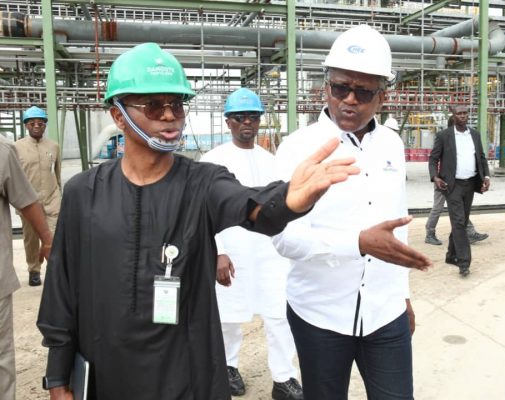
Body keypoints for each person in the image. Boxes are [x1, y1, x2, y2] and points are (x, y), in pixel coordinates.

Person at [36, 42, 359, 400]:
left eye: (176, 104)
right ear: (118, 116)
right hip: (107, 374)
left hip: (183, 376)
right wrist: (57, 375)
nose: (169, 115)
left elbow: (250, 207)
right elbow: (62, 287)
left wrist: (288, 202)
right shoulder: (85, 192)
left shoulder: (203, 182)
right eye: (153, 105)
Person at [273, 25, 432, 400]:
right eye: (340, 87)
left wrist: (402, 295)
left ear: (381, 96)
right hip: (320, 315)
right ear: (325, 86)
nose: (349, 100)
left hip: (384, 311)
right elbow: (283, 238)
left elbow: (398, 226)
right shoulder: (298, 149)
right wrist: (358, 244)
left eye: (363, 92)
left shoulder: (392, 144)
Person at [200, 88, 302, 400]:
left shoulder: (273, 161)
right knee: (228, 317)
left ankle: (284, 379)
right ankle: (228, 367)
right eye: (240, 117)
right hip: (231, 252)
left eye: (253, 117)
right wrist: (218, 251)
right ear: (228, 121)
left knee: (279, 316)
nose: (247, 123)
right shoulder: (212, 162)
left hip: (270, 253)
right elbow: (203, 212)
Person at [1, 136, 53, 400]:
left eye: (41, 122)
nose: (37, 126)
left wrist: (48, 237)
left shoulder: (3, 150)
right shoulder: (12, 147)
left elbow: (24, 199)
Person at [428, 105, 491, 277]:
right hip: (452, 185)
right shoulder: (444, 136)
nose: (462, 116)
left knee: (461, 223)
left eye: (465, 113)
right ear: (453, 116)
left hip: (470, 184)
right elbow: (433, 159)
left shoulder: (475, 135)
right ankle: (464, 263)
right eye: (459, 114)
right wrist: (435, 177)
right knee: (458, 222)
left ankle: (451, 255)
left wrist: (486, 177)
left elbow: (482, 158)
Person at [14, 106, 61, 286]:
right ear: (26, 125)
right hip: (28, 202)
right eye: (32, 123)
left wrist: (58, 193)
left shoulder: (53, 146)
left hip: (52, 200)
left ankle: (55, 270)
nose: (36, 126)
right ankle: (34, 270)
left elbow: (56, 174)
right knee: (31, 239)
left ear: (44, 125)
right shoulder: (16, 147)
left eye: (40, 123)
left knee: (54, 237)